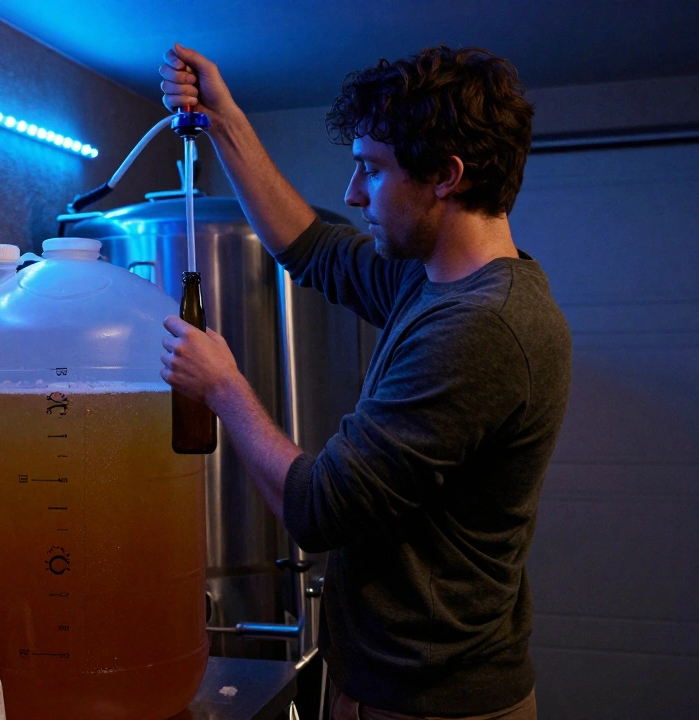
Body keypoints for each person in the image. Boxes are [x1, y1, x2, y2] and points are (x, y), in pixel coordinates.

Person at [158, 44, 571, 720]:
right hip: (381, 684)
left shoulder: (482, 329)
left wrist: (223, 388)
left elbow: (318, 509)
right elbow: (313, 249)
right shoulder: (431, 280)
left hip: (433, 704)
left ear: (446, 175)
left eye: (372, 172)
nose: (352, 194)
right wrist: (225, 120)